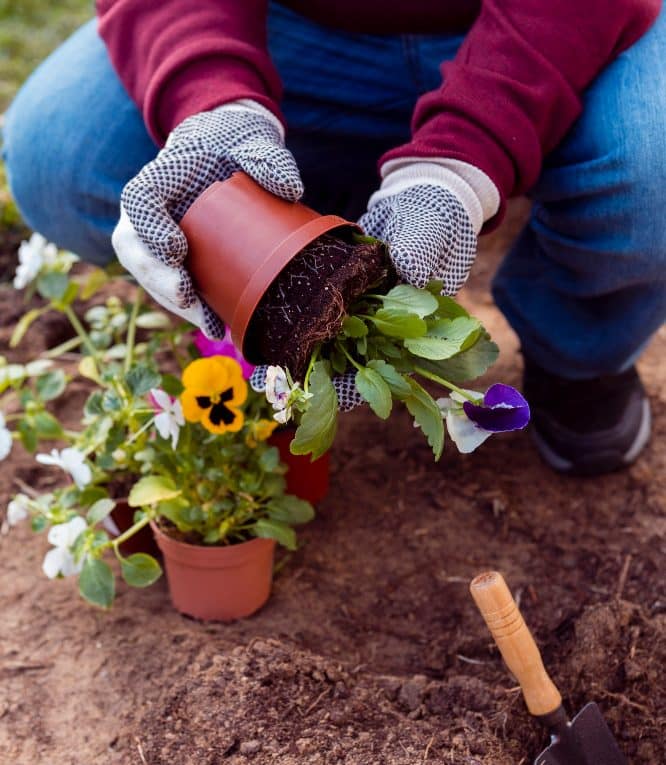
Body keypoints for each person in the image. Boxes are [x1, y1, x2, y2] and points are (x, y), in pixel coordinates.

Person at [3, 1, 665, 476]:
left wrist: (465, 159)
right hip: (292, 28)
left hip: (553, 23)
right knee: (60, 158)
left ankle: (579, 345)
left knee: (652, 172)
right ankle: (298, 269)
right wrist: (213, 101)